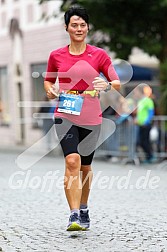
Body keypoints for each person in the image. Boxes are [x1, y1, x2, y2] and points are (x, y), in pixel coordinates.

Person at [44, 6, 120, 231]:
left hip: (90, 115)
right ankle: (74, 215)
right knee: (72, 161)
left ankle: (84, 207)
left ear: (87, 28)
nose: (79, 29)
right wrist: (50, 90)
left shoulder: (98, 55)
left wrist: (106, 84)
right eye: (74, 25)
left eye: (83, 25)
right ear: (66, 27)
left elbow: (115, 81)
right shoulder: (56, 55)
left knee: (85, 167)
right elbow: (48, 81)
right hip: (65, 113)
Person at [134, 86, 155, 163]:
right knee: (140, 141)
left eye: (136, 92)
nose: (135, 94)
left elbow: (151, 112)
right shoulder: (140, 101)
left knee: (145, 141)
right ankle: (148, 156)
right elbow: (140, 113)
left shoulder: (148, 100)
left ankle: (151, 156)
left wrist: (146, 122)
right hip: (140, 125)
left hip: (146, 125)